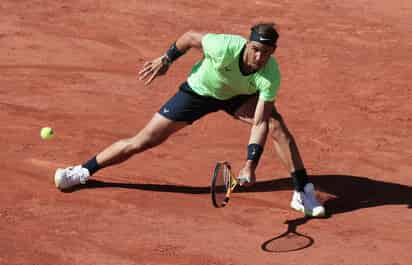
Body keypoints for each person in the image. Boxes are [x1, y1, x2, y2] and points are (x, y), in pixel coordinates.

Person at [54, 23, 325, 217]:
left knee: (277, 126)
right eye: (255, 49)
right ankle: (82, 172)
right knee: (144, 140)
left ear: (273, 52)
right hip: (199, 91)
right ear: (247, 43)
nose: (259, 57)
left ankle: (303, 191)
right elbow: (189, 37)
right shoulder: (222, 46)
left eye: (266, 53)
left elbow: (261, 122)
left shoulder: (270, 74)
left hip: (239, 98)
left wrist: (250, 164)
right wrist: (166, 59)